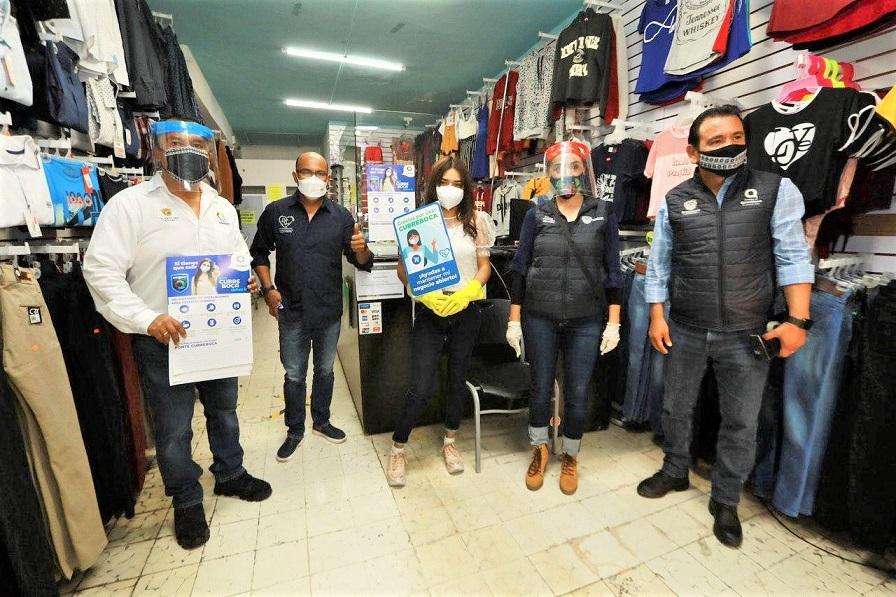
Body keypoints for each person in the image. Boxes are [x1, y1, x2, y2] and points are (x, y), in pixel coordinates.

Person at [83, 119, 272, 551]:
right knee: (173, 429)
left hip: (218, 334)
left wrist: (246, 279)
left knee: (224, 411)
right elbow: (100, 270)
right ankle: (186, 498)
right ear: (156, 149)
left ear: (210, 153)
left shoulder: (220, 206)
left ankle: (229, 473)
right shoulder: (130, 206)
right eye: (175, 143)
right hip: (163, 340)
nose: (188, 150)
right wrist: (146, 318)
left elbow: (238, 257)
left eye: (198, 144)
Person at [637, 105, 814, 548]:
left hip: (747, 332)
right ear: (694, 153)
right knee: (677, 406)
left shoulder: (775, 190)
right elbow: (658, 265)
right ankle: (676, 470)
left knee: (741, 420)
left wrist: (797, 319)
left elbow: (793, 257)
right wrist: (657, 315)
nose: (730, 146)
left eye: (736, 137)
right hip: (687, 326)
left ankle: (727, 499)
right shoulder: (676, 200)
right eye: (715, 141)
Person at [506, 140, 623, 496]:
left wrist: (614, 323)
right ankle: (539, 449)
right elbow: (520, 268)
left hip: (586, 319)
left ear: (582, 170)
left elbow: (613, 272)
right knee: (541, 387)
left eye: (570, 168)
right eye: (555, 169)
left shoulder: (603, 212)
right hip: (539, 316)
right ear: (548, 173)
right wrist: (514, 320)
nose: (562, 175)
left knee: (576, 390)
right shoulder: (536, 213)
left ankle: (570, 455)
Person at [250, 152, 373, 462]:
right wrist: (268, 290)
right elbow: (259, 253)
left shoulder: (342, 216)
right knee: (294, 374)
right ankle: (294, 429)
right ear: (295, 176)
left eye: (319, 173)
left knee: (325, 370)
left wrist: (362, 250)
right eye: (306, 172)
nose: (313, 178)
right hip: (290, 309)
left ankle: (321, 421)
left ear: (328, 179)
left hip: (329, 309)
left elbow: (361, 261)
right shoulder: (276, 213)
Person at [386, 156, 494, 486]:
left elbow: (484, 266)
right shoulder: (418, 222)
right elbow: (403, 270)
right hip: (431, 312)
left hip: (466, 312)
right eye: (444, 183)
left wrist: (469, 291)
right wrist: (420, 291)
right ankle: (398, 447)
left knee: (456, 379)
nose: (450, 189)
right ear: (434, 185)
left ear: (466, 188)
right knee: (420, 386)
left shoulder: (478, 219)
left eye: (458, 184)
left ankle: (450, 442)